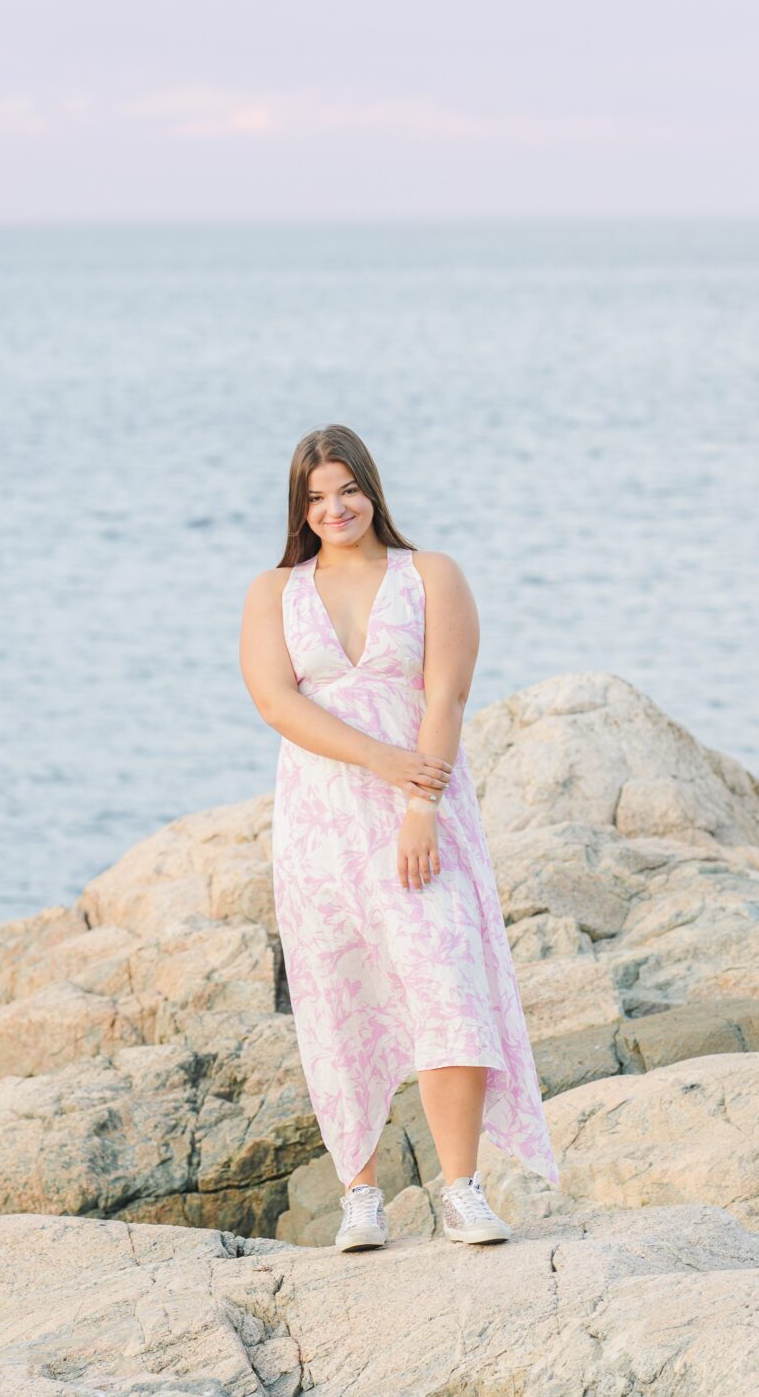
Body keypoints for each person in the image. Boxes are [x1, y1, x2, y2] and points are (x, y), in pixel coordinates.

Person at [237, 423, 561, 1252]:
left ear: (372, 489)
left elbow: (445, 696)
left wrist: (419, 805)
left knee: (448, 978)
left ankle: (461, 1189)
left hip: (422, 809)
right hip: (320, 823)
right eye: (315, 497)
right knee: (339, 999)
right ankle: (361, 1196)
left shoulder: (431, 577)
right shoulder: (275, 590)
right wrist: (381, 760)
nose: (333, 508)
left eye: (346, 489)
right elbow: (278, 702)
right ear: (298, 508)